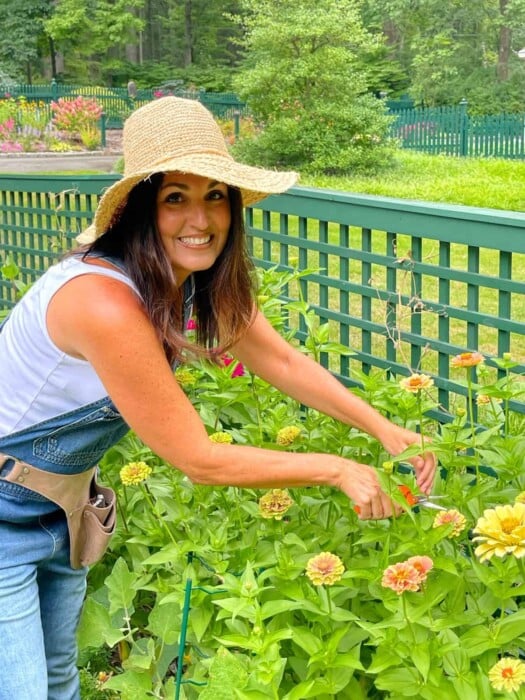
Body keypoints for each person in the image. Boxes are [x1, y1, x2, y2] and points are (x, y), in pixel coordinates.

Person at [0, 96, 436, 700]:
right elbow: (198, 459)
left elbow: (280, 359)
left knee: (55, 681)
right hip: (4, 512)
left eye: (215, 195)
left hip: (61, 507)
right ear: (138, 211)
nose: (199, 218)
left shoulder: (185, 282)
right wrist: (338, 468)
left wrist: (386, 430)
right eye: (175, 197)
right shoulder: (102, 302)